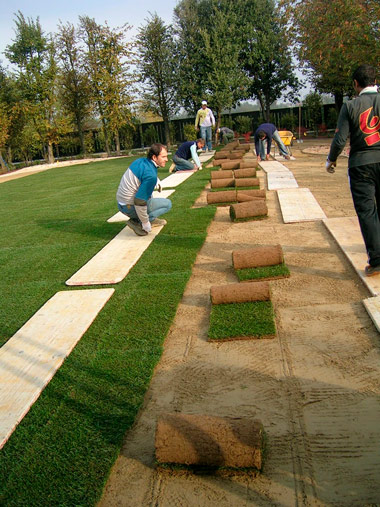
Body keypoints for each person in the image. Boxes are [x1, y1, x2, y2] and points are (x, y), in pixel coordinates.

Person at [326, 64, 380, 276]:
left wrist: (331, 160)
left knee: (367, 212)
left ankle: (377, 260)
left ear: (356, 84)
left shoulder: (350, 106)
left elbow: (340, 140)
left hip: (361, 164)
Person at [116, 143, 172, 236]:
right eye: (163, 157)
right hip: (129, 206)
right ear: (154, 157)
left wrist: (156, 179)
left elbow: (144, 174)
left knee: (149, 194)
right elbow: (139, 201)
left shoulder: (141, 161)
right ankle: (138, 222)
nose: (166, 159)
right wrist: (145, 222)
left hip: (121, 204)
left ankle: (142, 219)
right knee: (167, 204)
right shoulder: (150, 176)